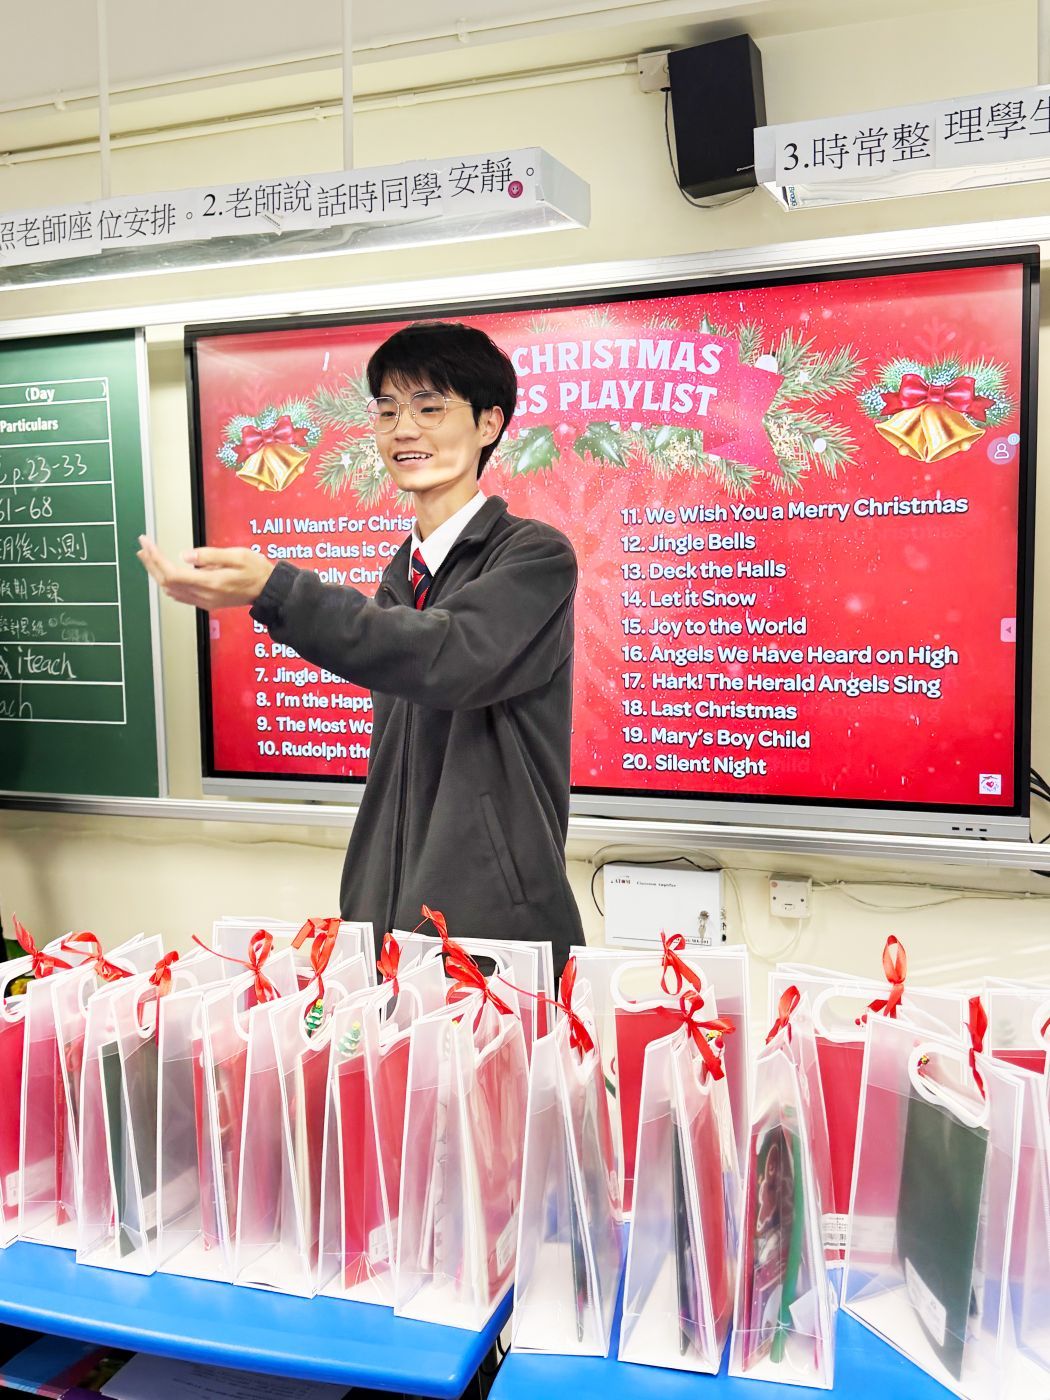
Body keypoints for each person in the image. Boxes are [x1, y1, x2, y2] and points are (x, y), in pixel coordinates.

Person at [138, 320, 583, 968]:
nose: (404, 429)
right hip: (384, 925)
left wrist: (275, 589)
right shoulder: (402, 575)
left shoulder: (536, 556)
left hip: (495, 940)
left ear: (489, 423)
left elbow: (445, 658)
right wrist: (364, 906)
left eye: (430, 407)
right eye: (388, 410)